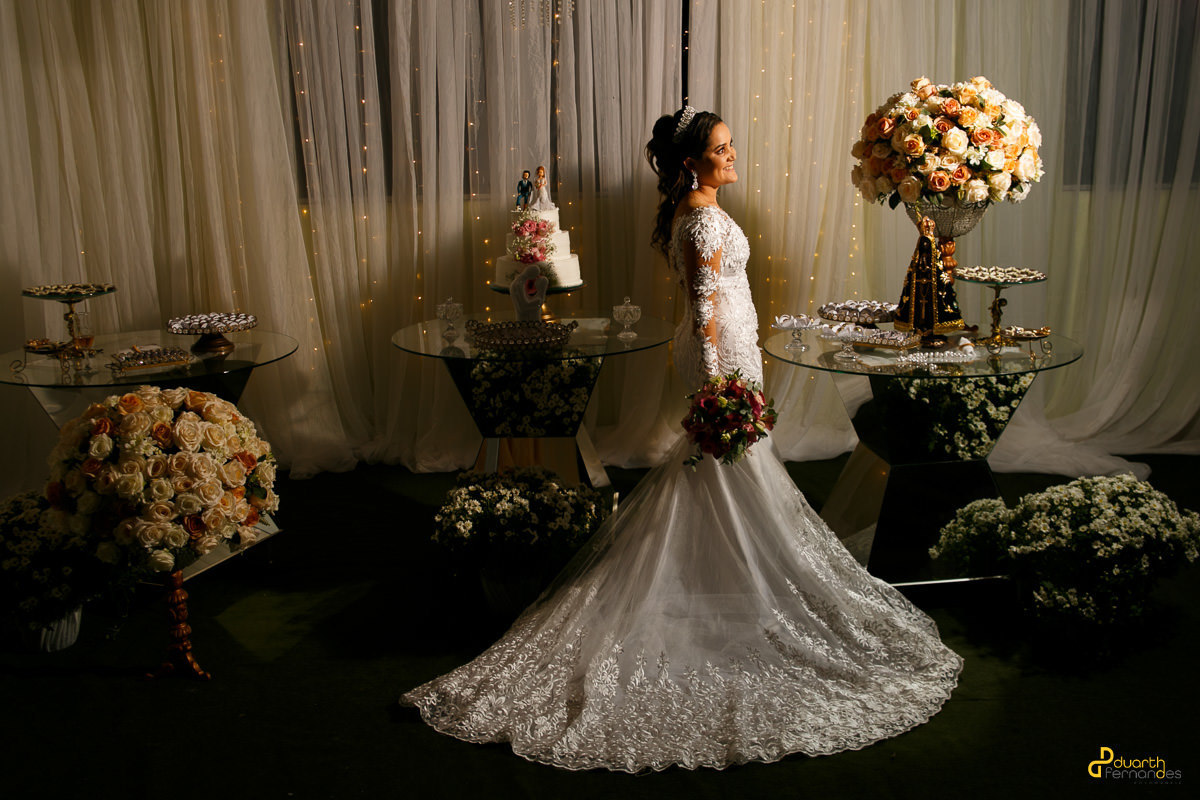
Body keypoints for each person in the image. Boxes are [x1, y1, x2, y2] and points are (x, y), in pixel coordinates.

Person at [402, 107, 962, 772]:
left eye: (729, 147)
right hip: (718, 352)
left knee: (725, 469)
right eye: (721, 149)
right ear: (692, 162)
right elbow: (700, 306)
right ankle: (738, 582)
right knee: (727, 463)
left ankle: (725, 576)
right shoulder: (699, 217)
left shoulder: (697, 209)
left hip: (732, 344)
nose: (732, 156)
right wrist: (720, 385)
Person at [894, 216, 965, 333]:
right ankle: (918, 328)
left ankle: (934, 329)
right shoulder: (917, 265)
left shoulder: (936, 268)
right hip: (920, 285)